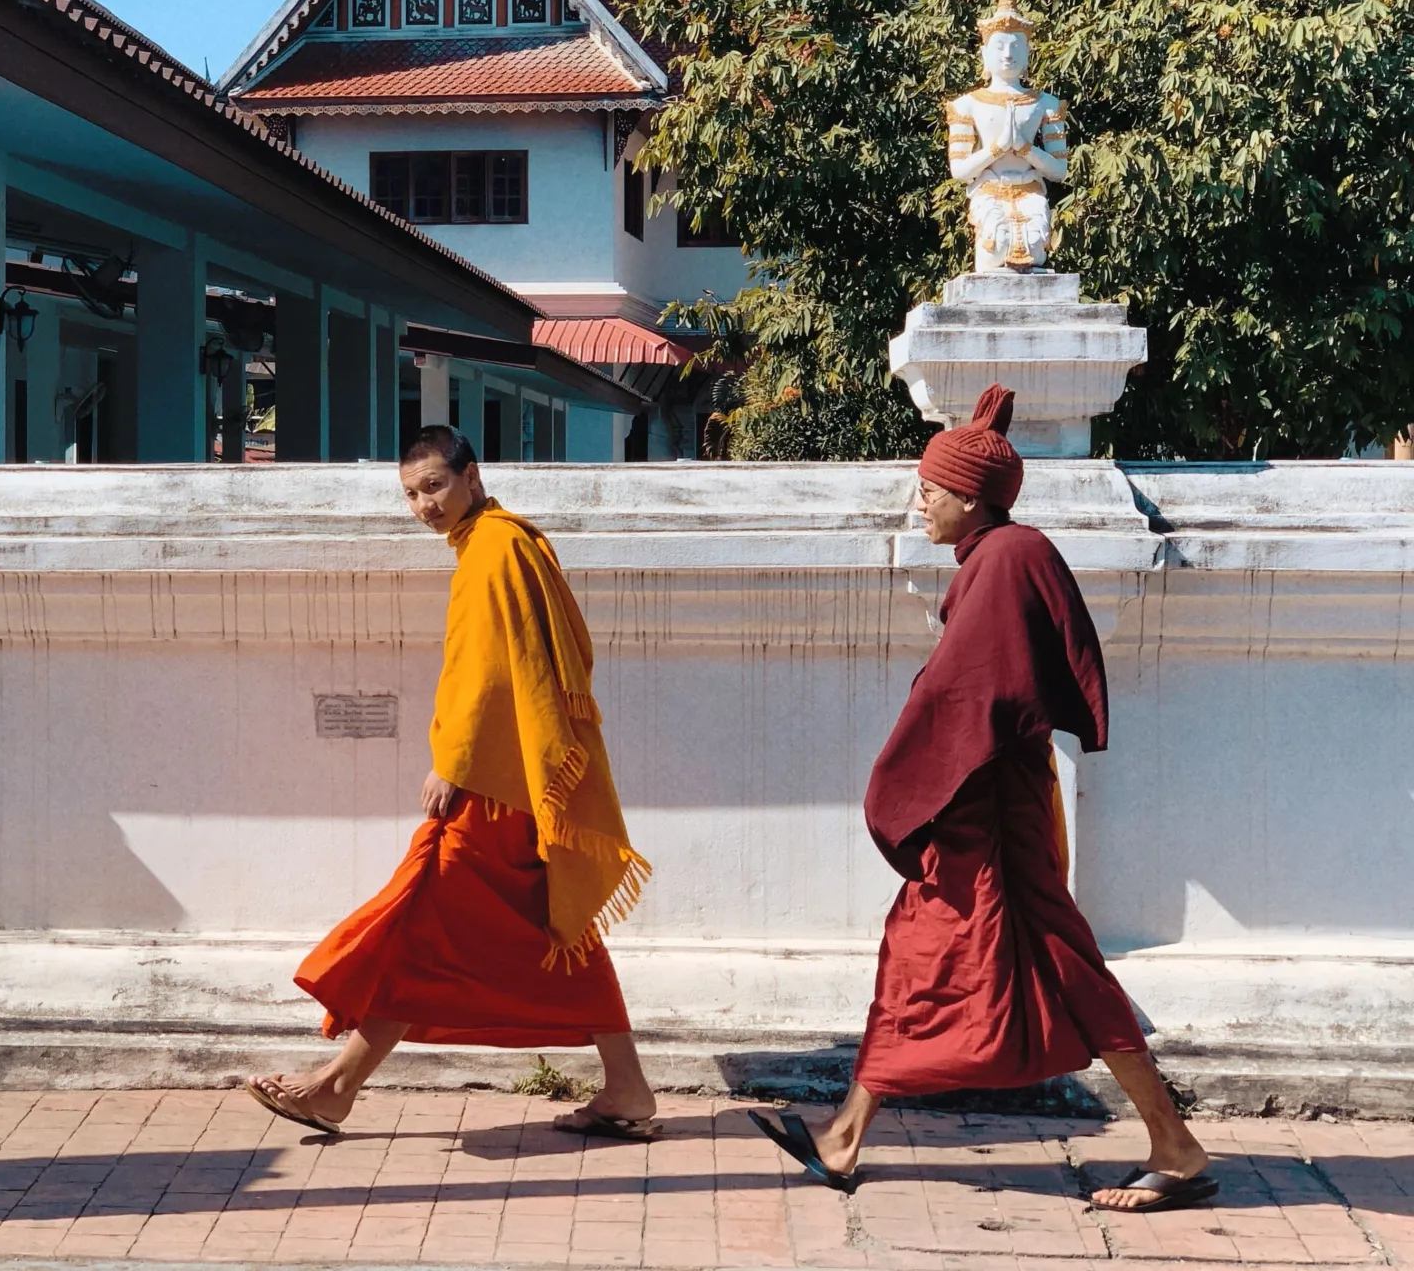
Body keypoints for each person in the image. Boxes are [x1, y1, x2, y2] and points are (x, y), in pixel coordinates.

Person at [753, 385, 1214, 1213]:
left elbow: (967, 703)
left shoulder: (1006, 560)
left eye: (929, 490)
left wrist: (911, 789)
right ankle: (847, 1136)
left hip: (987, 811)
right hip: (993, 802)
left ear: (971, 496)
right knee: (995, 959)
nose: (919, 503)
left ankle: (1174, 1145)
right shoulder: (1005, 556)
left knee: (938, 956)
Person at [246, 426, 659, 1140]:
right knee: (555, 928)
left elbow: (494, 677)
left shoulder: (495, 549)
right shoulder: (497, 543)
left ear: (472, 475)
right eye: (410, 494)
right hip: (519, 779)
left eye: (434, 486)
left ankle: (337, 1087)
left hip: (492, 786)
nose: (424, 505)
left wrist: (456, 765)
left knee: (418, 923)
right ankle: (627, 1087)